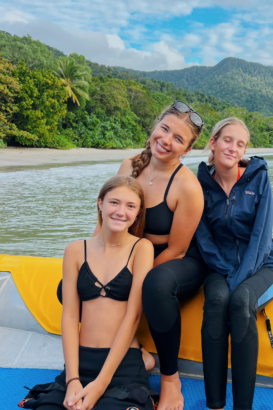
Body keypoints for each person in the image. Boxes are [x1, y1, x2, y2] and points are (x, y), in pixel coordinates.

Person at [19, 176, 156, 410]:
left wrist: (101, 384)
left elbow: (133, 316)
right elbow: (70, 317)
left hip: (120, 361)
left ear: (138, 212)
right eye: (114, 202)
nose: (121, 212)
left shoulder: (141, 248)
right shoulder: (75, 250)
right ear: (100, 203)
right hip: (80, 361)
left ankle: (143, 360)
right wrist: (72, 379)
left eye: (130, 206)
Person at [117, 101, 207, 410]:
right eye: (165, 129)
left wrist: (134, 278)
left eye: (178, 139)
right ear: (155, 127)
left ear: (187, 150)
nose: (167, 140)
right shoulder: (129, 166)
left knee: (152, 285)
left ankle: (171, 380)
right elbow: (112, 222)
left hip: (180, 260)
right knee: (73, 283)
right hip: (136, 251)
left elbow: (177, 249)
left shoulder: (187, 187)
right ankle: (135, 352)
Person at [195, 117, 273, 410]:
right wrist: (224, 272)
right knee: (217, 300)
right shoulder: (199, 182)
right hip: (218, 265)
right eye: (227, 140)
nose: (233, 148)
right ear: (213, 142)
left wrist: (239, 279)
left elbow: (261, 236)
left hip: (263, 264)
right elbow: (202, 237)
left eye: (240, 143)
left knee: (240, 300)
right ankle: (215, 404)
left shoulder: (258, 178)